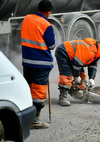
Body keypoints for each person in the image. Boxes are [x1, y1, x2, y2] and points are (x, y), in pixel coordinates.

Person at [21, 0, 56, 129]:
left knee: (28, 88)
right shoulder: (46, 25)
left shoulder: (27, 18)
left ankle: (25, 116)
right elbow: (52, 46)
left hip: (27, 61)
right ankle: (35, 121)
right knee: (38, 92)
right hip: (41, 64)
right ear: (48, 12)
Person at [55, 38, 100, 106]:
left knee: (82, 77)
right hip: (64, 51)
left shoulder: (96, 52)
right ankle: (62, 98)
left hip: (75, 57)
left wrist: (91, 78)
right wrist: (76, 77)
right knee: (66, 76)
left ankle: (82, 90)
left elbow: (93, 66)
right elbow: (76, 64)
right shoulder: (90, 51)